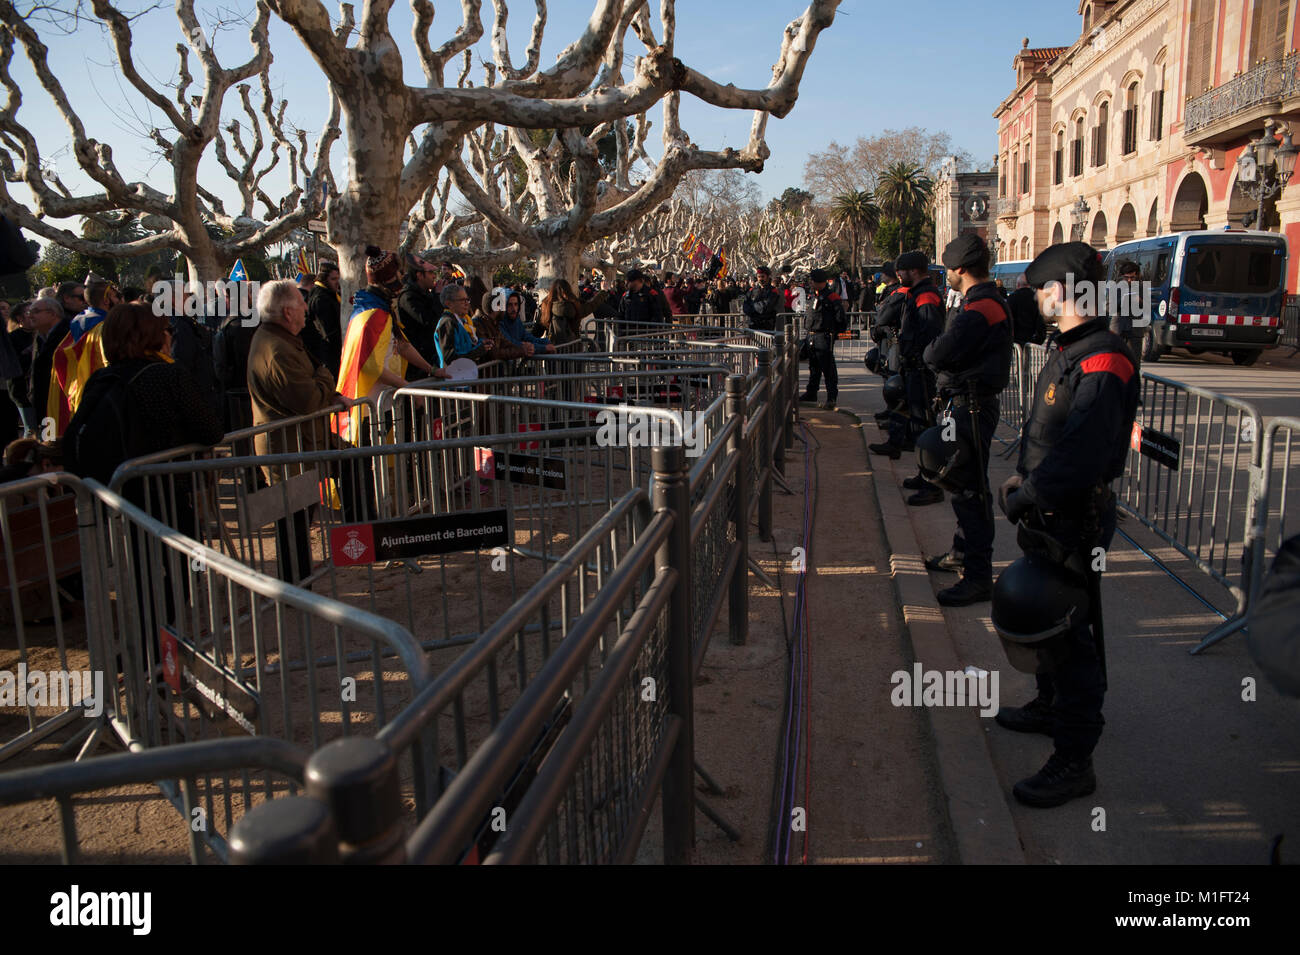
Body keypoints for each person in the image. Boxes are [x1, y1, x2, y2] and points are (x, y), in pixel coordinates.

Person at [994, 241, 1140, 807]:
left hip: (1075, 519)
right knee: (1050, 621)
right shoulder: (1073, 349)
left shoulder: (1104, 357)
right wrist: (1023, 482)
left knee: (1073, 635)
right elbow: (1049, 433)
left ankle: (1075, 759)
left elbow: (1081, 451)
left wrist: (1031, 490)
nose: (1034, 298)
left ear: (1064, 290)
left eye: (1039, 288)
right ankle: (1049, 706)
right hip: (1048, 511)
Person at [248, 279, 366, 582]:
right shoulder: (277, 349)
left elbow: (313, 388)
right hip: (290, 451)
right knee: (294, 524)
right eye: (302, 305)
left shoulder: (284, 340)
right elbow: (309, 399)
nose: (306, 311)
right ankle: (296, 586)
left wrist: (324, 386)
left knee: (351, 461)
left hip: (307, 444)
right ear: (287, 313)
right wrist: (327, 380)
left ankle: (357, 539)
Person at [921, 234, 1013, 607]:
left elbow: (937, 352)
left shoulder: (981, 308)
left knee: (970, 490)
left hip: (971, 407)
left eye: (947, 268)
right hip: (963, 403)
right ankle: (962, 553)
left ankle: (977, 576)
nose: (946, 274)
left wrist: (938, 355)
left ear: (959, 269)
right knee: (960, 486)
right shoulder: (982, 302)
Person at [337, 246, 442, 444]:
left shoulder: (381, 310)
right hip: (368, 408)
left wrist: (432, 370)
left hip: (382, 403)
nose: (402, 278)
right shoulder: (372, 315)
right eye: (398, 273)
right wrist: (409, 389)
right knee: (375, 467)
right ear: (387, 279)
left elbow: (401, 345)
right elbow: (371, 366)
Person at [882, 252, 947, 506]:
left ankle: (932, 483)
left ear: (915, 271)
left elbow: (930, 335)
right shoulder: (914, 293)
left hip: (921, 371)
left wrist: (922, 360)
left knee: (925, 426)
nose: (899, 275)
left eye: (903, 271)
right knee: (918, 426)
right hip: (913, 368)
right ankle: (924, 475)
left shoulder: (927, 296)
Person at [798, 268, 845, 411]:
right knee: (814, 367)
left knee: (828, 368)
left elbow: (841, 320)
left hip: (824, 336)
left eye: (812, 280)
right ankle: (812, 393)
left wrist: (832, 334)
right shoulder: (814, 295)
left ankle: (831, 397)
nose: (810, 283)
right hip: (811, 335)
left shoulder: (832, 298)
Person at [303, 261, 344, 376]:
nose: (337, 283)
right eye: (333, 279)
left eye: (338, 279)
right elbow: (328, 333)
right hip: (329, 355)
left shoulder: (329, 294)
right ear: (323, 279)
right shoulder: (320, 299)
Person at [1112, 259, 1144, 376]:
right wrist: (1123, 300)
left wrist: (1140, 301)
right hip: (1118, 328)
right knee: (1115, 361)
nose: (1130, 280)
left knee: (1134, 363)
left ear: (1138, 276)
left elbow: (1147, 308)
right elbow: (1108, 307)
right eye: (1127, 278)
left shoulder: (1142, 288)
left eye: (1133, 278)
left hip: (1135, 330)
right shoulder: (1116, 287)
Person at [1008, 274, 1046, 346]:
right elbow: (1040, 319)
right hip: (1033, 339)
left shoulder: (1012, 298)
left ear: (1018, 285)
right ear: (1029, 285)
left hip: (1016, 339)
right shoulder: (1036, 298)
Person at [743, 266, 783, 331]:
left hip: (766, 325)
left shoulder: (773, 291)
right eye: (759, 277)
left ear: (767, 277)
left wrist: (752, 306)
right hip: (753, 324)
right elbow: (745, 306)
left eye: (763, 277)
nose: (760, 279)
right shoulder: (752, 290)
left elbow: (765, 307)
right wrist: (753, 310)